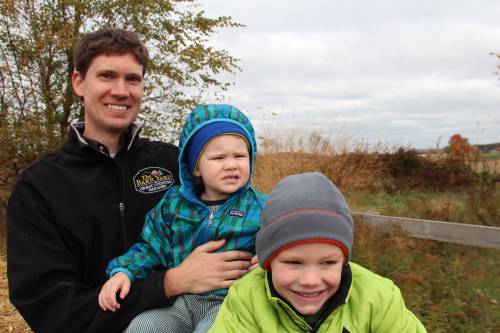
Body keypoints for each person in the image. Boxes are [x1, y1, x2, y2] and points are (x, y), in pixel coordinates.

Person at [6, 28, 252, 333]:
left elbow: (243, 211)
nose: (121, 91)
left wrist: (259, 262)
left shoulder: (176, 165)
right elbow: (54, 312)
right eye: (107, 76)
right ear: (78, 82)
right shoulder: (39, 187)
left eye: (132, 79)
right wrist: (169, 283)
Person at [98, 103, 266, 333]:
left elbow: (280, 243)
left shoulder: (260, 207)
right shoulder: (173, 204)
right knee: (142, 327)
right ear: (196, 167)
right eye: (218, 158)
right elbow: (151, 247)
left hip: (230, 301)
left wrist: (267, 259)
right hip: (180, 300)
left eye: (240, 155)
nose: (231, 164)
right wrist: (123, 271)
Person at [209, 172, 427, 333]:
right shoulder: (247, 299)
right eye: (294, 263)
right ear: (267, 261)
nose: (310, 280)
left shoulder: (379, 299)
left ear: (343, 260)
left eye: (328, 263)